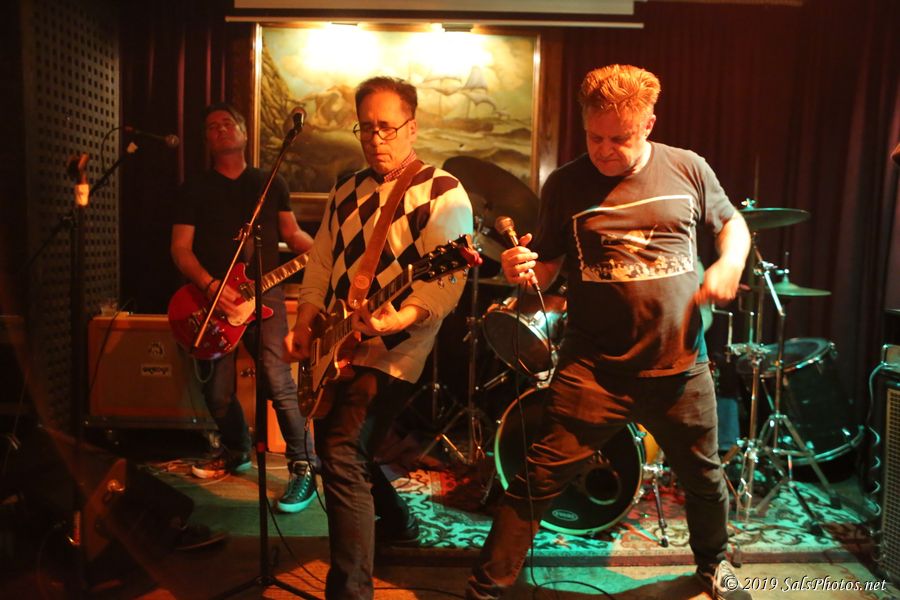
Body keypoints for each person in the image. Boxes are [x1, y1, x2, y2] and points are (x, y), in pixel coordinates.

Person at [467, 64, 753, 600]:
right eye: (594, 137)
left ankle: (714, 567)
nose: (604, 150)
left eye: (618, 139)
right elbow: (546, 268)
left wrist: (730, 263)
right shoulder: (566, 183)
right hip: (594, 371)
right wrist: (520, 268)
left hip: (679, 364)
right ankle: (486, 588)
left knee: (705, 478)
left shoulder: (688, 168)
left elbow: (732, 223)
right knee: (537, 479)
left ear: (648, 124)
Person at [283, 76, 473, 599]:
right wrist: (305, 321)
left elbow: (446, 283)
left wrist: (399, 318)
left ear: (412, 127)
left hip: (398, 345)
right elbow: (321, 261)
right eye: (366, 128)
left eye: (386, 127)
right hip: (338, 337)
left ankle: (350, 591)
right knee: (344, 451)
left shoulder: (442, 191)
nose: (375, 139)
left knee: (341, 450)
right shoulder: (346, 189)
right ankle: (397, 522)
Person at [171, 102, 317, 514]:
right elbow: (180, 249)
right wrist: (211, 286)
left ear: (244, 132)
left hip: (265, 294)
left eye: (227, 123)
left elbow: (292, 234)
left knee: (278, 380)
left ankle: (304, 465)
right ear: (206, 139)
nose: (220, 129)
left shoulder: (270, 182)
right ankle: (236, 449)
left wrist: (324, 251)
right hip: (211, 298)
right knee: (217, 393)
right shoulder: (194, 188)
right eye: (211, 126)